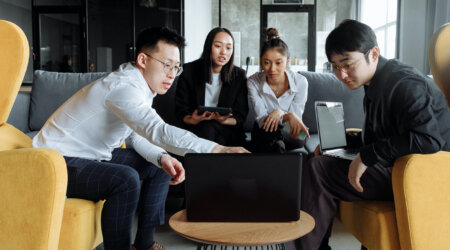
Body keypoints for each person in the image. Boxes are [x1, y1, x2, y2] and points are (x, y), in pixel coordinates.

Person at [32, 27, 249, 250]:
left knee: (159, 166)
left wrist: (162, 157)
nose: (172, 74)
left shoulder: (140, 86)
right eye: (166, 65)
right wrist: (219, 150)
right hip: (56, 161)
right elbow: (159, 131)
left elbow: (135, 135)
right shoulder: (123, 87)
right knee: (125, 179)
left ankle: (144, 243)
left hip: (91, 155)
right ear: (143, 59)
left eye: (176, 67)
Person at [295, 19, 450, 250]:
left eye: (347, 64)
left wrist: (368, 155)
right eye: (335, 66)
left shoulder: (405, 83)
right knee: (316, 160)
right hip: (398, 167)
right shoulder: (375, 82)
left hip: (423, 176)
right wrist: (337, 145)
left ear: (374, 53)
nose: (341, 74)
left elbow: (428, 140)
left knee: (318, 171)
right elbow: (384, 136)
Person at [175, 27, 248, 146]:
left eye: (228, 48)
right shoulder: (189, 71)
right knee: (208, 130)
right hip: (197, 128)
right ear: (209, 46)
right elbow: (181, 109)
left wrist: (225, 120)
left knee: (214, 133)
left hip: (228, 129)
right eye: (218, 46)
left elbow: (241, 115)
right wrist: (192, 119)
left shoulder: (239, 75)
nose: (224, 52)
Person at [247, 28, 310, 153]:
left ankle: (277, 144)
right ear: (261, 62)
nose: (272, 69)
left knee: (297, 138)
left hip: (290, 131)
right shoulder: (253, 81)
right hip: (264, 129)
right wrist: (287, 115)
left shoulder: (301, 82)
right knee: (269, 135)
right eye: (267, 62)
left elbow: (293, 122)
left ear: (287, 62)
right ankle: (278, 146)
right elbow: (261, 120)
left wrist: (281, 113)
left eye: (278, 63)